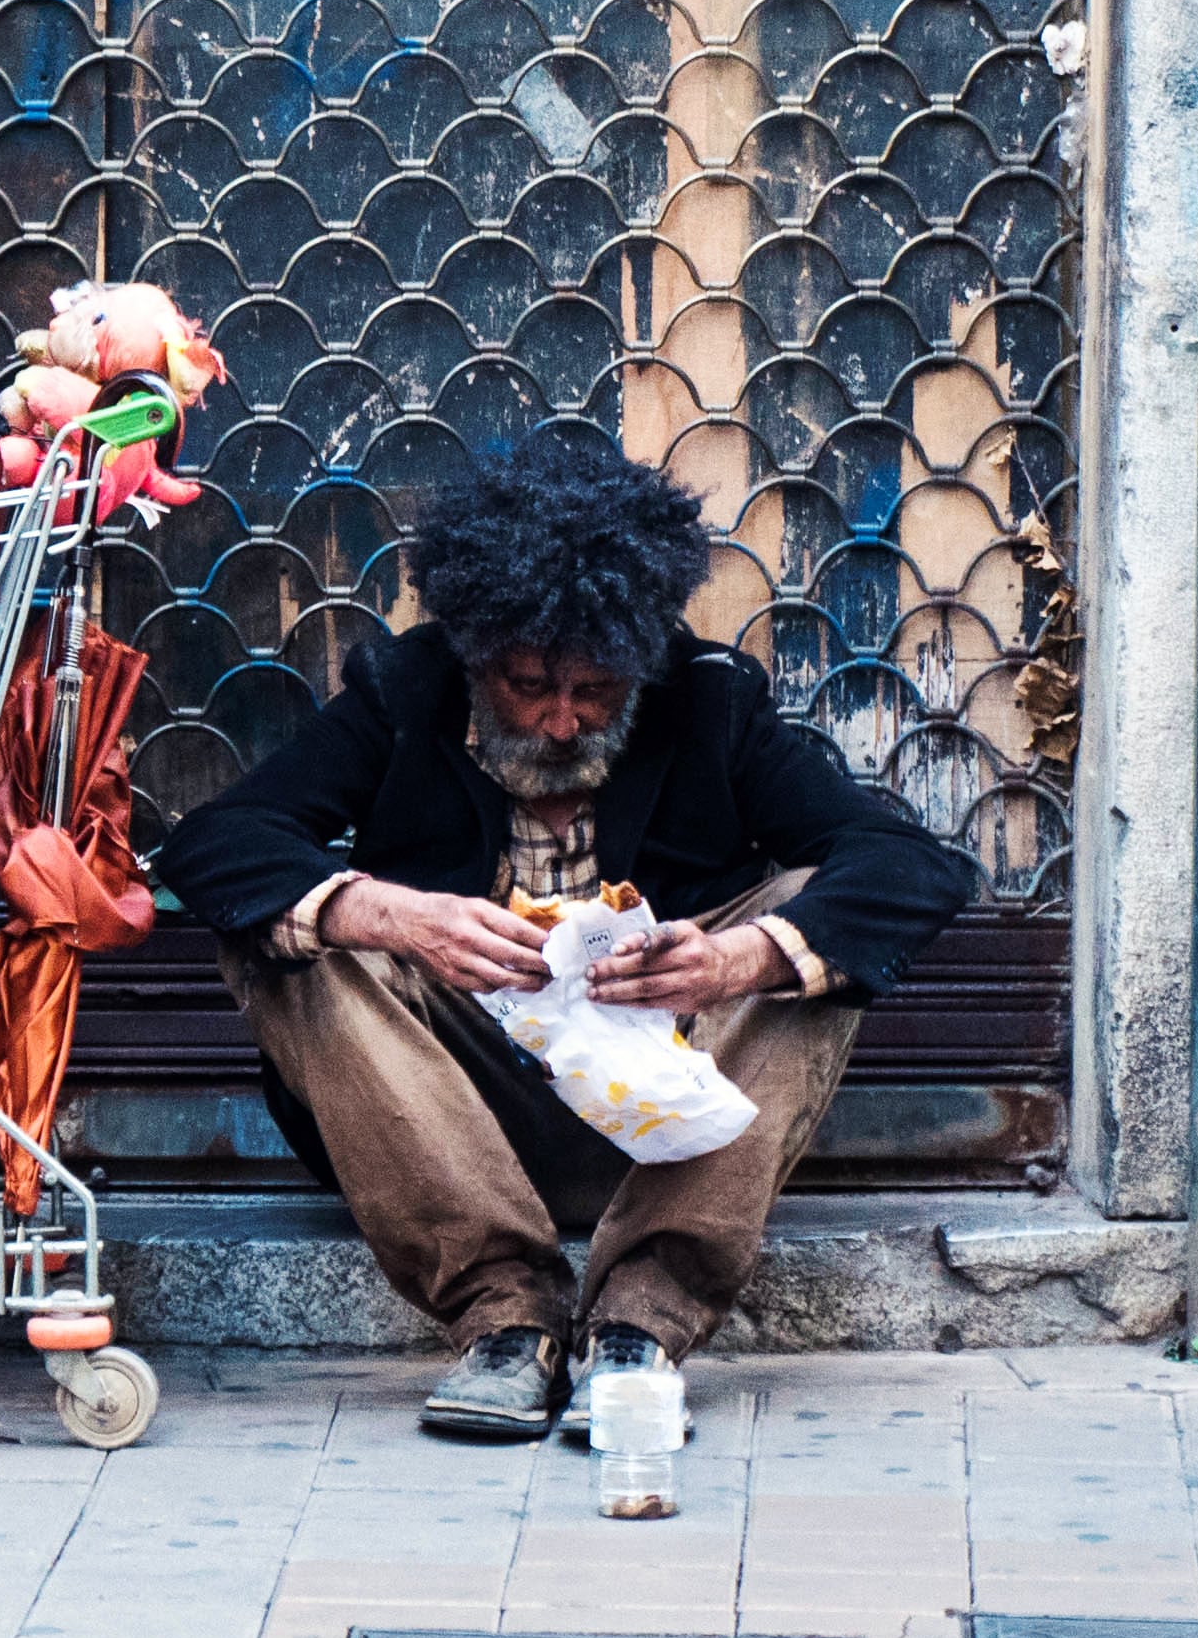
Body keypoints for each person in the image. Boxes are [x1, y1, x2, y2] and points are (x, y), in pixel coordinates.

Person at [156, 435, 977, 1439]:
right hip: (446, 1129)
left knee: (810, 914)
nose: (557, 720)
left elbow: (910, 866)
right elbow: (215, 843)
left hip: (657, 1123)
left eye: (593, 691)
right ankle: (507, 1319)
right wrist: (390, 912)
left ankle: (640, 1322)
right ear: (472, 654)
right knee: (293, 932)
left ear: (637, 659)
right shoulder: (403, 688)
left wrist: (733, 958)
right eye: (525, 684)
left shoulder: (708, 698)